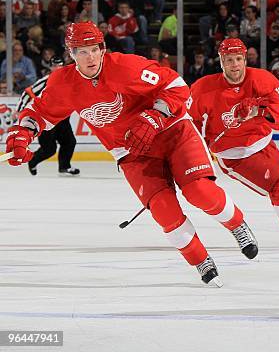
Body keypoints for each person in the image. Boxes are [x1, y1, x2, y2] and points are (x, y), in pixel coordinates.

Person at [4, 21, 259, 287]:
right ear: (71, 53)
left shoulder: (126, 67)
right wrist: (24, 133)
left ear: (102, 48)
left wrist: (154, 117)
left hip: (172, 131)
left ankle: (236, 224)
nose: (90, 57)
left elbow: (177, 86)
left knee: (199, 191)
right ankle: (199, 259)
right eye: (82, 51)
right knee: (164, 211)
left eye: (94, 49)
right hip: (131, 151)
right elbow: (40, 113)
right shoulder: (63, 83)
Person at [188, 38, 279, 250]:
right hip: (235, 155)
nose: (235, 65)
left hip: (264, 143)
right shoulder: (202, 89)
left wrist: (258, 111)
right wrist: (192, 153)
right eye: (229, 60)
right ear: (221, 62)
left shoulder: (263, 80)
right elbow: (189, 126)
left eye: (239, 59)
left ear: (245, 59)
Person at [15, 56, 79, 176]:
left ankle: (64, 167)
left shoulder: (69, 79)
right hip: (46, 118)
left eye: (59, 65)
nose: (57, 68)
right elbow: (28, 92)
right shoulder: (46, 80)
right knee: (49, 149)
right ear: (50, 67)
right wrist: (19, 109)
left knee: (70, 142)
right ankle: (33, 161)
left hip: (62, 119)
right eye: (54, 66)